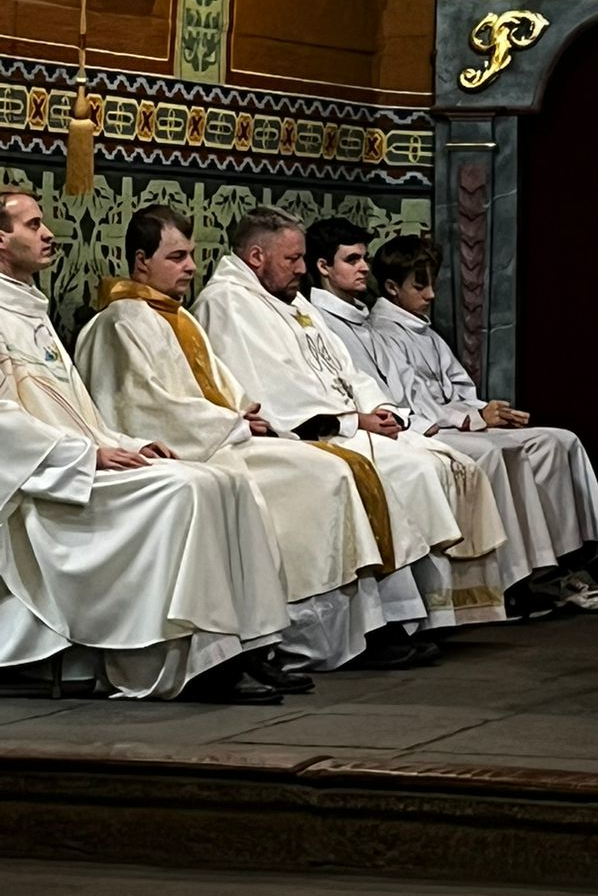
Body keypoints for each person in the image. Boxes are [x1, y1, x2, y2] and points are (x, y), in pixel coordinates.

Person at [0, 189, 290, 702]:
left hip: (73, 460)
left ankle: (245, 645)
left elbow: (80, 410)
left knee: (220, 479)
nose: (49, 234)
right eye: (33, 225)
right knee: (187, 490)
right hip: (38, 480)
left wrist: (125, 441)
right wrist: (84, 455)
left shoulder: (28, 308)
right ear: (2, 238)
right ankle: (191, 663)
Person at [76, 204, 385, 674]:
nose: (191, 267)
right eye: (177, 257)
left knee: (328, 470)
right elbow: (146, 406)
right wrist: (234, 423)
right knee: (310, 480)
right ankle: (264, 641)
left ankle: (308, 636)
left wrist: (244, 411)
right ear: (141, 261)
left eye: (192, 255)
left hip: (221, 438)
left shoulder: (175, 317)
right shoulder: (120, 322)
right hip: (184, 448)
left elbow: (219, 383)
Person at [192, 209, 506, 661]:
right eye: (293, 258)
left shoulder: (291, 300)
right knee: (396, 472)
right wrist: (351, 422)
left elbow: (344, 368)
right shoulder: (229, 303)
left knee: (432, 459)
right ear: (256, 256)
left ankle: (413, 616)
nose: (302, 268)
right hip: (302, 435)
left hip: (342, 423)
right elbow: (275, 391)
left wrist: (375, 407)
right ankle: (377, 627)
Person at [305, 219, 598, 617]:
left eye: (365, 258)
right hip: (393, 428)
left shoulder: (372, 321)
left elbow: (443, 386)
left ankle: (562, 562)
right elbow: (398, 396)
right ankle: (516, 578)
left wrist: (476, 413)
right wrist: (466, 419)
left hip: (412, 420)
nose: (363, 267)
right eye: (353, 259)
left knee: (557, 440)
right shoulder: (338, 321)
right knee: (490, 455)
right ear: (324, 266)